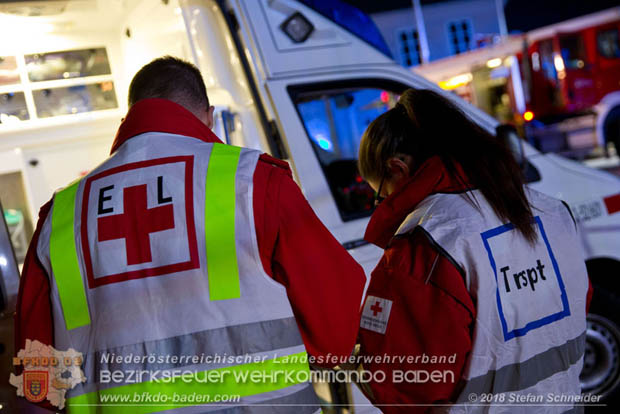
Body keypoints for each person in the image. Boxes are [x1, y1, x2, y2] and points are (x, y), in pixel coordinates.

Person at [15, 56, 366, 413]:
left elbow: (38, 383)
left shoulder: (60, 216)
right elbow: (335, 329)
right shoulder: (252, 182)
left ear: (126, 121)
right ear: (208, 116)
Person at [355, 88, 592, 413]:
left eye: (379, 195)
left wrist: (360, 364)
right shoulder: (549, 211)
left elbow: (408, 385)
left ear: (397, 169)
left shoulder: (425, 246)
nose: (381, 205)